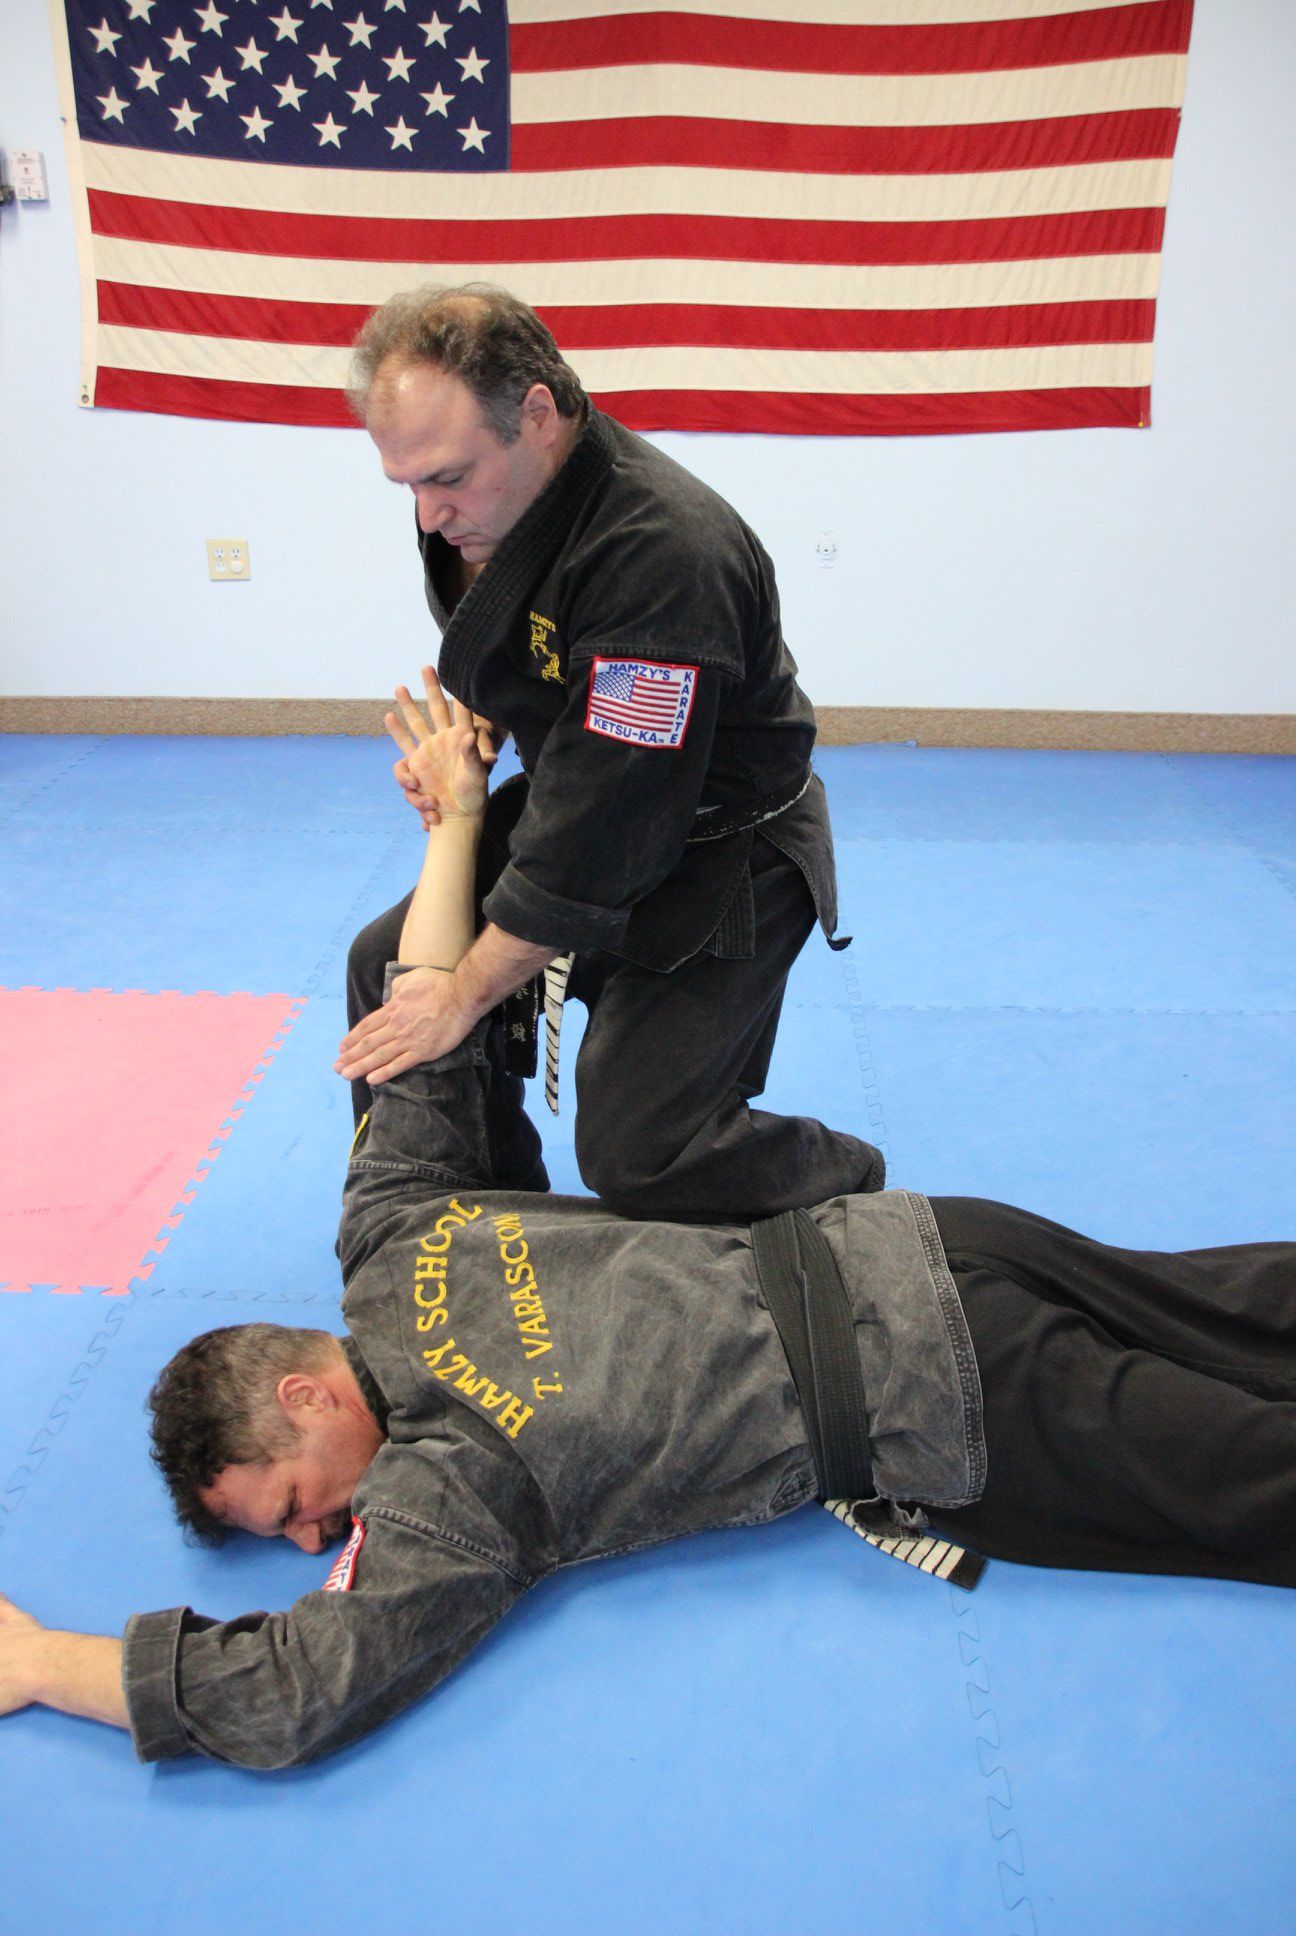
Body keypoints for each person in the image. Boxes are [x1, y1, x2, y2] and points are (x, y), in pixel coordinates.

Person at [4, 680, 1295, 1772]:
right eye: (287, 1537)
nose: (308, 1541)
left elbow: (305, 1685)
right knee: (1234, 1306)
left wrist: (47, 1665)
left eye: (286, 1505)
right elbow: (422, 1015)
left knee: (1251, 1479)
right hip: (928, 1243)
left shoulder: (451, 1483)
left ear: (302, 1393)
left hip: (943, 1389)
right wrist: (458, 823)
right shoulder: (390, 1230)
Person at [336, 282, 885, 1221]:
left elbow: (600, 840)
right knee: (388, 965)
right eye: (409, 485)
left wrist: (465, 993)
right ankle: (480, 1225)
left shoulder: (661, 556)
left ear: (538, 415)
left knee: (642, 1153)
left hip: (724, 848)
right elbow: (517, 633)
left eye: (448, 478)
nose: (428, 514)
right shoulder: (491, 499)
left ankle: (850, 1185)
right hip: (594, 789)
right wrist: (479, 728)